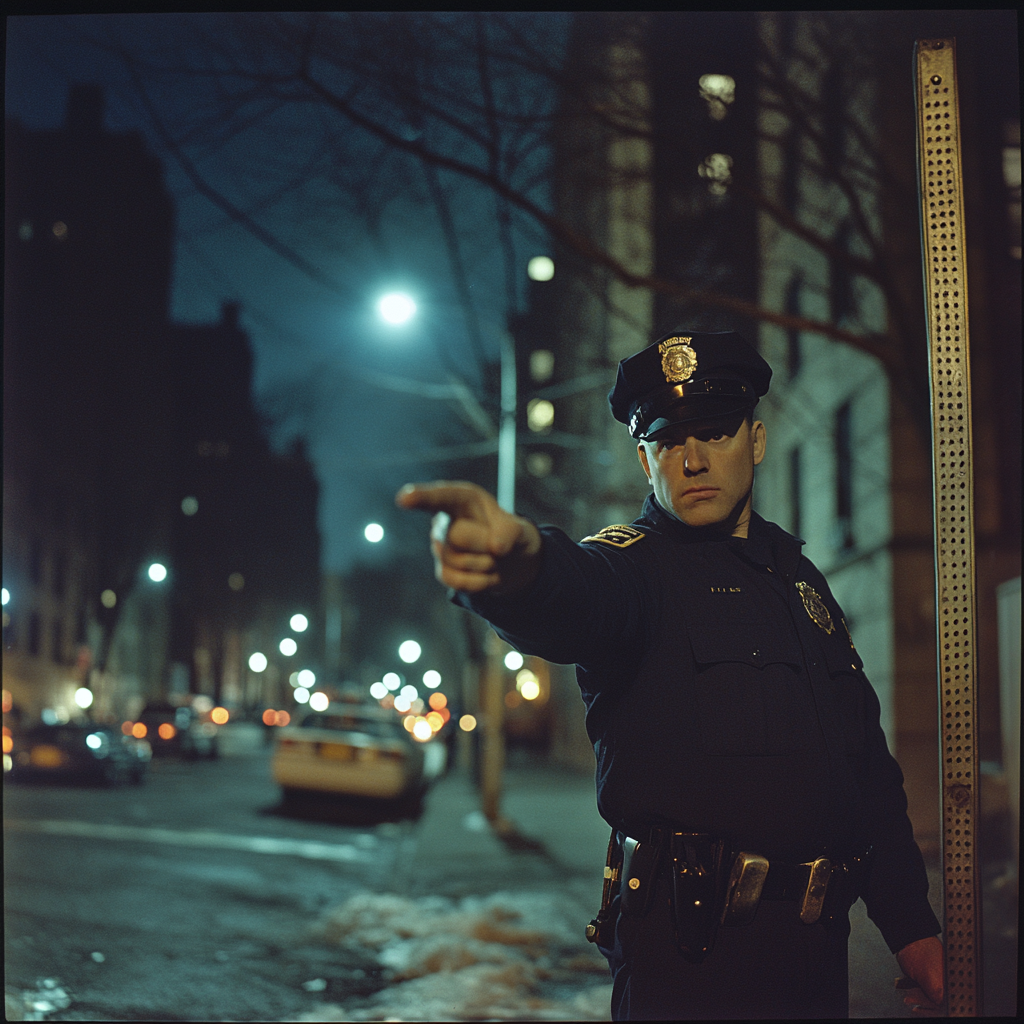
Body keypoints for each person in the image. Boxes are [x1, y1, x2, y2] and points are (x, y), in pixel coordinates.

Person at [397, 330, 945, 1020]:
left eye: (714, 433)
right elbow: (576, 595)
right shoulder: (634, 569)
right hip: (691, 965)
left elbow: (865, 772)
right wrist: (519, 569)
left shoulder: (799, 579)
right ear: (643, 459)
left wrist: (912, 928)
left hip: (815, 961)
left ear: (756, 439)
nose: (690, 460)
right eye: (665, 442)